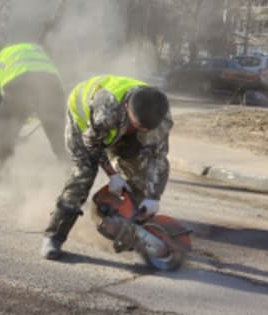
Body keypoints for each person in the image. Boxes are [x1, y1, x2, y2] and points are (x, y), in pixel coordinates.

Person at [40, 75, 172, 260]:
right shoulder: (107, 109)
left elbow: (158, 158)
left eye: (145, 129)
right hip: (85, 126)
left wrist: (153, 196)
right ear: (127, 109)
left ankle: (132, 227)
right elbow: (92, 143)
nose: (142, 131)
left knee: (140, 170)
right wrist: (112, 175)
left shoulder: (160, 115)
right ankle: (53, 236)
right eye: (137, 126)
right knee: (83, 175)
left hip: (117, 127)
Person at [0, 42, 67, 182]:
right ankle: (72, 176)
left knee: (1, 135)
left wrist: (11, 129)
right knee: (60, 139)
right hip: (54, 87)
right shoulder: (32, 48)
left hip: (21, 84)